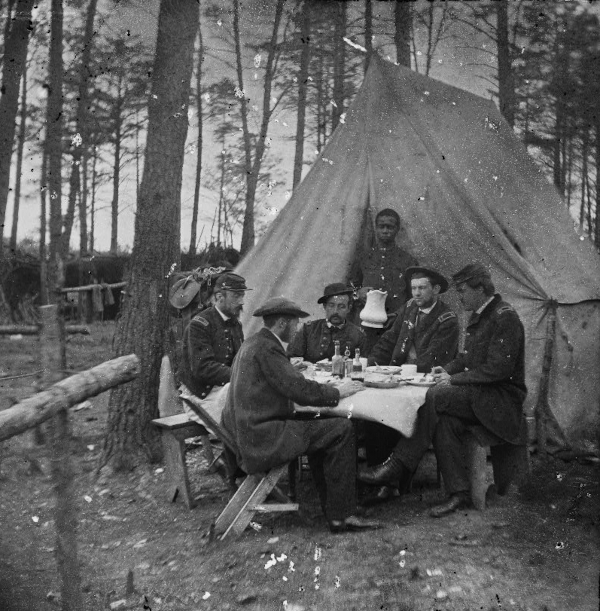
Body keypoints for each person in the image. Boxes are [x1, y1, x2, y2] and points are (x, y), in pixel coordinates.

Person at [358, 264, 527, 517]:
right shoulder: (481, 314)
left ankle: (397, 465)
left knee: (435, 395)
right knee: (444, 421)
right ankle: (458, 494)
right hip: (482, 395)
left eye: (463, 291)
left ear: (480, 289)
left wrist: (454, 380)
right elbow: (467, 358)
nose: (459, 297)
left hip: (501, 400)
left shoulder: (504, 317)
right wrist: (446, 371)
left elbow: (498, 370)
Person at [221, 296, 381, 533]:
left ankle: (335, 506)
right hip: (262, 437)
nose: (296, 330)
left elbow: (287, 383)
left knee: (323, 426)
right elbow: (300, 390)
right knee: (342, 429)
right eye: (295, 324)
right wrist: (338, 392)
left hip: (250, 432)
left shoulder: (255, 343)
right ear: (282, 323)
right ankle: (342, 516)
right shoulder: (268, 348)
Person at [362, 266, 459, 504]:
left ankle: (396, 480)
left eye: (422, 288)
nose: (416, 293)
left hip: (426, 382)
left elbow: (434, 358)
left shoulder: (447, 319)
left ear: (436, 289)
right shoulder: (409, 308)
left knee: (401, 411)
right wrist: (371, 364)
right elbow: (389, 340)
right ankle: (382, 478)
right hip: (399, 378)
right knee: (374, 412)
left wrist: (398, 371)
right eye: (413, 288)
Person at [179, 272, 249, 425]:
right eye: (236, 296)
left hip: (225, 391)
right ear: (219, 297)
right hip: (200, 397)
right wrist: (242, 374)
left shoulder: (235, 325)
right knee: (241, 428)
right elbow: (203, 368)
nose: (242, 301)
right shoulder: (200, 325)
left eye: (242, 295)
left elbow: (239, 359)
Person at [348, 208, 418, 351]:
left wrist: (399, 316)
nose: (385, 231)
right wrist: (357, 293)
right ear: (376, 228)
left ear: (397, 229)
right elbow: (349, 287)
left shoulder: (408, 261)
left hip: (395, 324)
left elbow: (414, 298)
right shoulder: (363, 257)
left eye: (390, 227)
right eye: (381, 226)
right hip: (366, 324)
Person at [287, 282, 367, 363]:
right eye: (331, 305)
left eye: (341, 307)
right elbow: (292, 359)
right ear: (325, 306)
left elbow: (362, 365)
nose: (335, 311)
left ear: (349, 308)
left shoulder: (358, 335)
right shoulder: (308, 330)